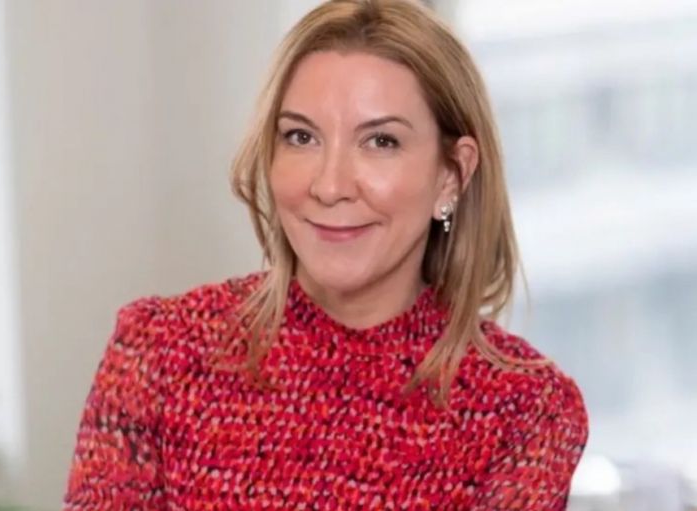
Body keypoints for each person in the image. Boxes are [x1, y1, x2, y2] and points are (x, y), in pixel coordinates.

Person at [63, 0, 589, 509]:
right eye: (301, 137)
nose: (330, 185)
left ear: (451, 175)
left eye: (380, 142)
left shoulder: (526, 410)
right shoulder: (158, 353)